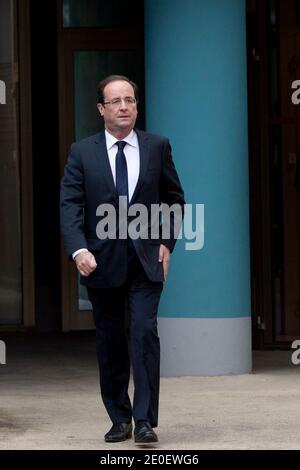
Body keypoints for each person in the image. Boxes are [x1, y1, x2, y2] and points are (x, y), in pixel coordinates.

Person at [60, 75, 185, 444]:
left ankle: (145, 420)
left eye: (129, 100)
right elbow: (70, 205)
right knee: (110, 340)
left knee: (144, 333)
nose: (124, 107)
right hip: (100, 262)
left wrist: (167, 242)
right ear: (101, 109)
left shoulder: (157, 146)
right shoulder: (82, 152)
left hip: (146, 261)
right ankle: (120, 416)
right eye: (115, 101)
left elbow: (175, 199)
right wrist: (79, 249)